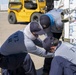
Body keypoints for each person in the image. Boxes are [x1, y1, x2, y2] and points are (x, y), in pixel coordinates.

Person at [39, 9, 65, 75]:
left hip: (59, 31)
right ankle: (46, 70)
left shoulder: (59, 20)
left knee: (59, 48)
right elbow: (46, 32)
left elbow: (66, 29)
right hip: (51, 31)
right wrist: (50, 43)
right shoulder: (42, 20)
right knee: (49, 48)